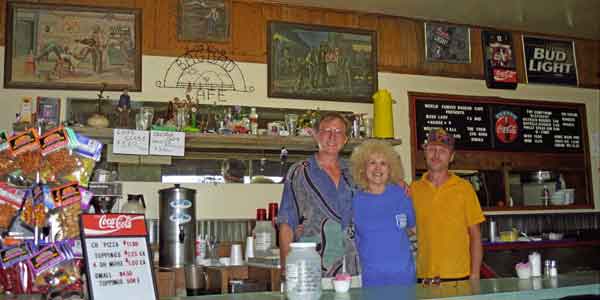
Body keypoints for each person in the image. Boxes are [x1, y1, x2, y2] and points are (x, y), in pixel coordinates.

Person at [277, 112, 358, 277]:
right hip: (312, 263)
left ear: (346, 139)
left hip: (352, 264)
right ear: (316, 135)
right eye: (326, 130)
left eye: (338, 132)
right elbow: (287, 222)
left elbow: (380, 187)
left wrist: (399, 183)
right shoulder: (300, 171)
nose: (332, 136)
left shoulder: (355, 172)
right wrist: (287, 267)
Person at [409, 128, 485, 282]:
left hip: (459, 279)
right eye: (431, 149)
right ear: (425, 153)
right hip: (424, 278)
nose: (436, 155)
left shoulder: (464, 188)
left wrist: (475, 275)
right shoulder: (413, 189)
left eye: (442, 151)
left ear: (451, 157)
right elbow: (409, 229)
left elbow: (475, 236)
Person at [348, 140, 416, 287]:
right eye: (372, 162)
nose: (378, 168)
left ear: (390, 169)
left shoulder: (402, 195)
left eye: (383, 163)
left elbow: (412, 229)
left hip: (404, 277)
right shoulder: (355, 201)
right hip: (370, 278)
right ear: (363, 168)